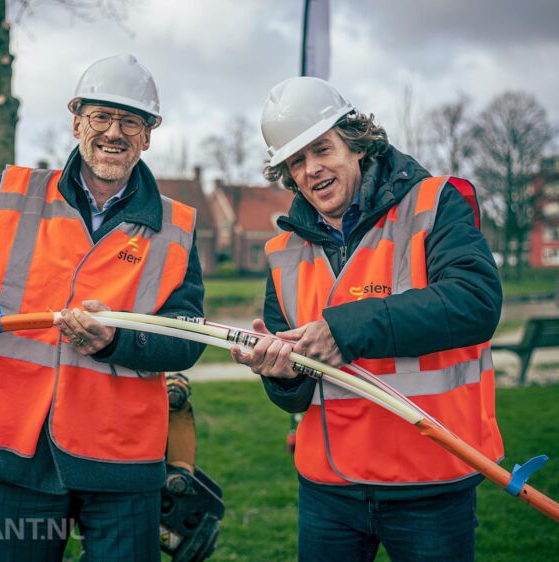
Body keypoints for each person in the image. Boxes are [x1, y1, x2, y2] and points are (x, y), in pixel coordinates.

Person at [0, 54, 205, 562]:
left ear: (148, 135)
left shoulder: (175, 227)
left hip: (123, 464)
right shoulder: (13, 197)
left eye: (130, 121)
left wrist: (114, 340)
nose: (114, 132)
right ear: (76, 122)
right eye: (101, 117)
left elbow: (186, 337)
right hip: (16, 454)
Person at [231, 76, 504, 562]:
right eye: (297, 161)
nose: (312, 170)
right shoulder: (283, 251)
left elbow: (474, 303)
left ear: (356, 143)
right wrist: (280, 373)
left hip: (431, 480)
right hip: (328, 488)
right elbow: (294, 389)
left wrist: (345, 330)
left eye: (322, 149)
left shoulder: (434, 204)